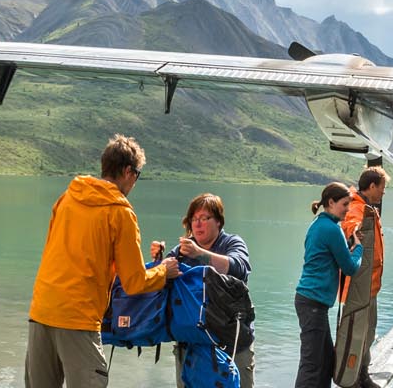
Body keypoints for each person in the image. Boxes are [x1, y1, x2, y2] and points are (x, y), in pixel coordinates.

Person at [26, 134, 180, 388]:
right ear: (128, 171)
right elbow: (134, 282)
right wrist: (164, 272)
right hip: (78, 318)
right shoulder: (120, 212)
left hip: (41, 310)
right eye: (138, 175)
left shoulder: (67, 198)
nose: (136, 182)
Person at [154, 193, 256, 388]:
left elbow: (239, 268)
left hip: (232, 342)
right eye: (194, 219)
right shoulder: (181, 251)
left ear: (218, 221)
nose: (198, 224)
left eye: (204, 218)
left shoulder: (232, 243)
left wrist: (200, 254)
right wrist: (160, 264)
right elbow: (160, 286)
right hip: (191, 343)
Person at [295, 182, 362, 388]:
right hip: (313, 303)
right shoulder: (332, 229)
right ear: (331, 202)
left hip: (311, 302)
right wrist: (359, 248)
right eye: (344, 204)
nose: (347, 209)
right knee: (312, 363)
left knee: (325, 361)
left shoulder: (317, 224)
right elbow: (350, 267)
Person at [336, 166, 388, 386]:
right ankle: (353, 378)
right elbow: (351, 226)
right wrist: (357, 229)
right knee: (357, 334)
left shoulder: (368, 207)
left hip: (370, 286)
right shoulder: (357, 208)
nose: (384, 193)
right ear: (372, 186)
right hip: (359, 287)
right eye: (382, 188)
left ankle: (362, 374)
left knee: (368, 332)